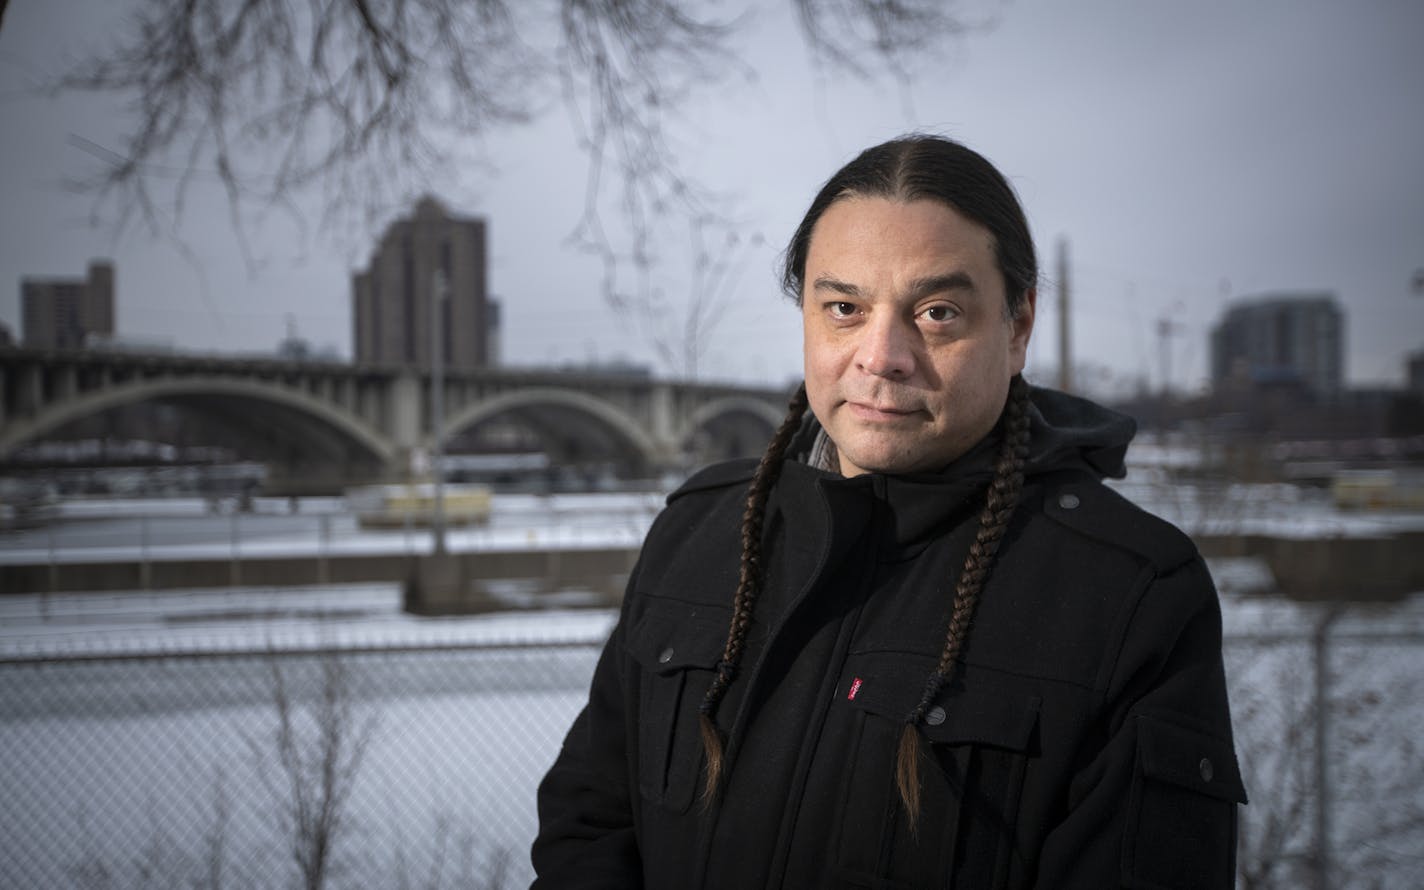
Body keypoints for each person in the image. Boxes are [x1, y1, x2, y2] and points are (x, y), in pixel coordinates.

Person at [531, 134, 1245, 889]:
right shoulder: (697, 530)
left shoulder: (1131, 593)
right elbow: (589, 828)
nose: (881, 355)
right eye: (844, 307)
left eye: (937, 313)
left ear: (1019, 327)